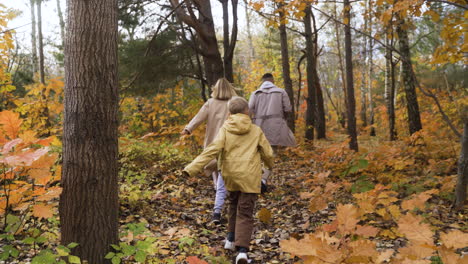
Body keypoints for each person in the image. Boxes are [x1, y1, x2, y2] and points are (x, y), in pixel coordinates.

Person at [183, 97, 274, 264]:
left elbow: (212, 150)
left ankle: (230, 240)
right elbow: (268, 154)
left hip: (230, 176)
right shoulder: (256, 130)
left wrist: (191, 168)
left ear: (230, 113)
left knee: (233, 206)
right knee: (245, 213)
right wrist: (269, 167)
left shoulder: (225, 129)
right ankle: (242, 252)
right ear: (247, 111)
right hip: (249, 177)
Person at [181, 78, 237, 224]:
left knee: (214, 168)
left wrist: (189, 128)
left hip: (213, 141)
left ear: (215, 89)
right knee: (226, 169)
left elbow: (199, 117)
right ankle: (224, 195)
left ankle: (219, 195)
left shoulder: (211, 103)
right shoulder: (235, 101)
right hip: (229, 141)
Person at [248, 73, 296, 190]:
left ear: (262, 81)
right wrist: (282, 118)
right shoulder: (281, 92)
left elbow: (248, 110)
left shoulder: (255, 93)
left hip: (258, 126)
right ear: (272, 80)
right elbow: (288, 109)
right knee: (271, 153)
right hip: (276, 125)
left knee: (257, 152)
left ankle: (254, 178)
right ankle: (263, 179)